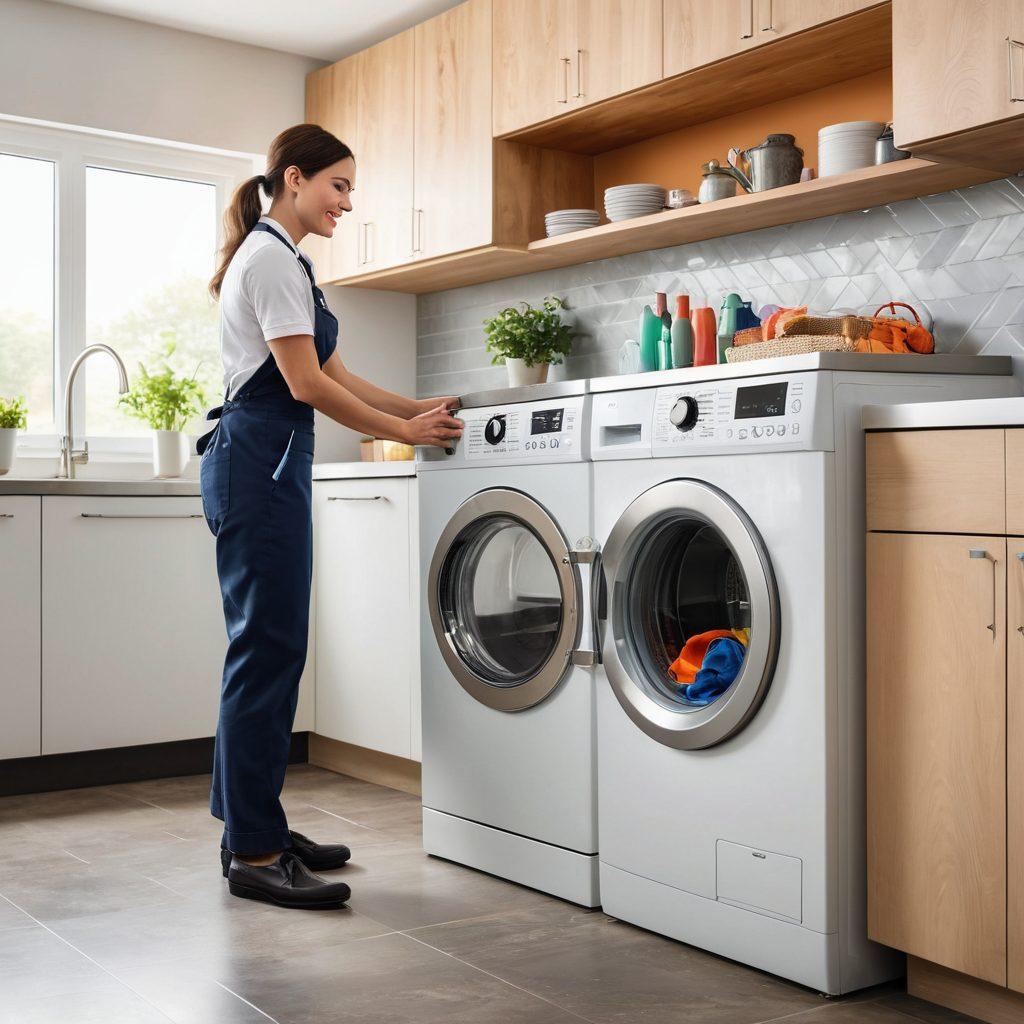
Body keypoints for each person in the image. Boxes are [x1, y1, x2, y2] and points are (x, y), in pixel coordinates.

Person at [199, 123, 462, 910]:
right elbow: (307, 386)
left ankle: (254, 826)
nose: (347, 202)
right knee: (267, 649)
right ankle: (254, 849)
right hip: (260, 462)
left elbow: (337, 371)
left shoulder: (291, 261)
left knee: (271, 648)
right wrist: (404, 435)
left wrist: (418, 407)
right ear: (293, 179)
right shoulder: (271, 260)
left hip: (268, 462)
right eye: (338, 186)